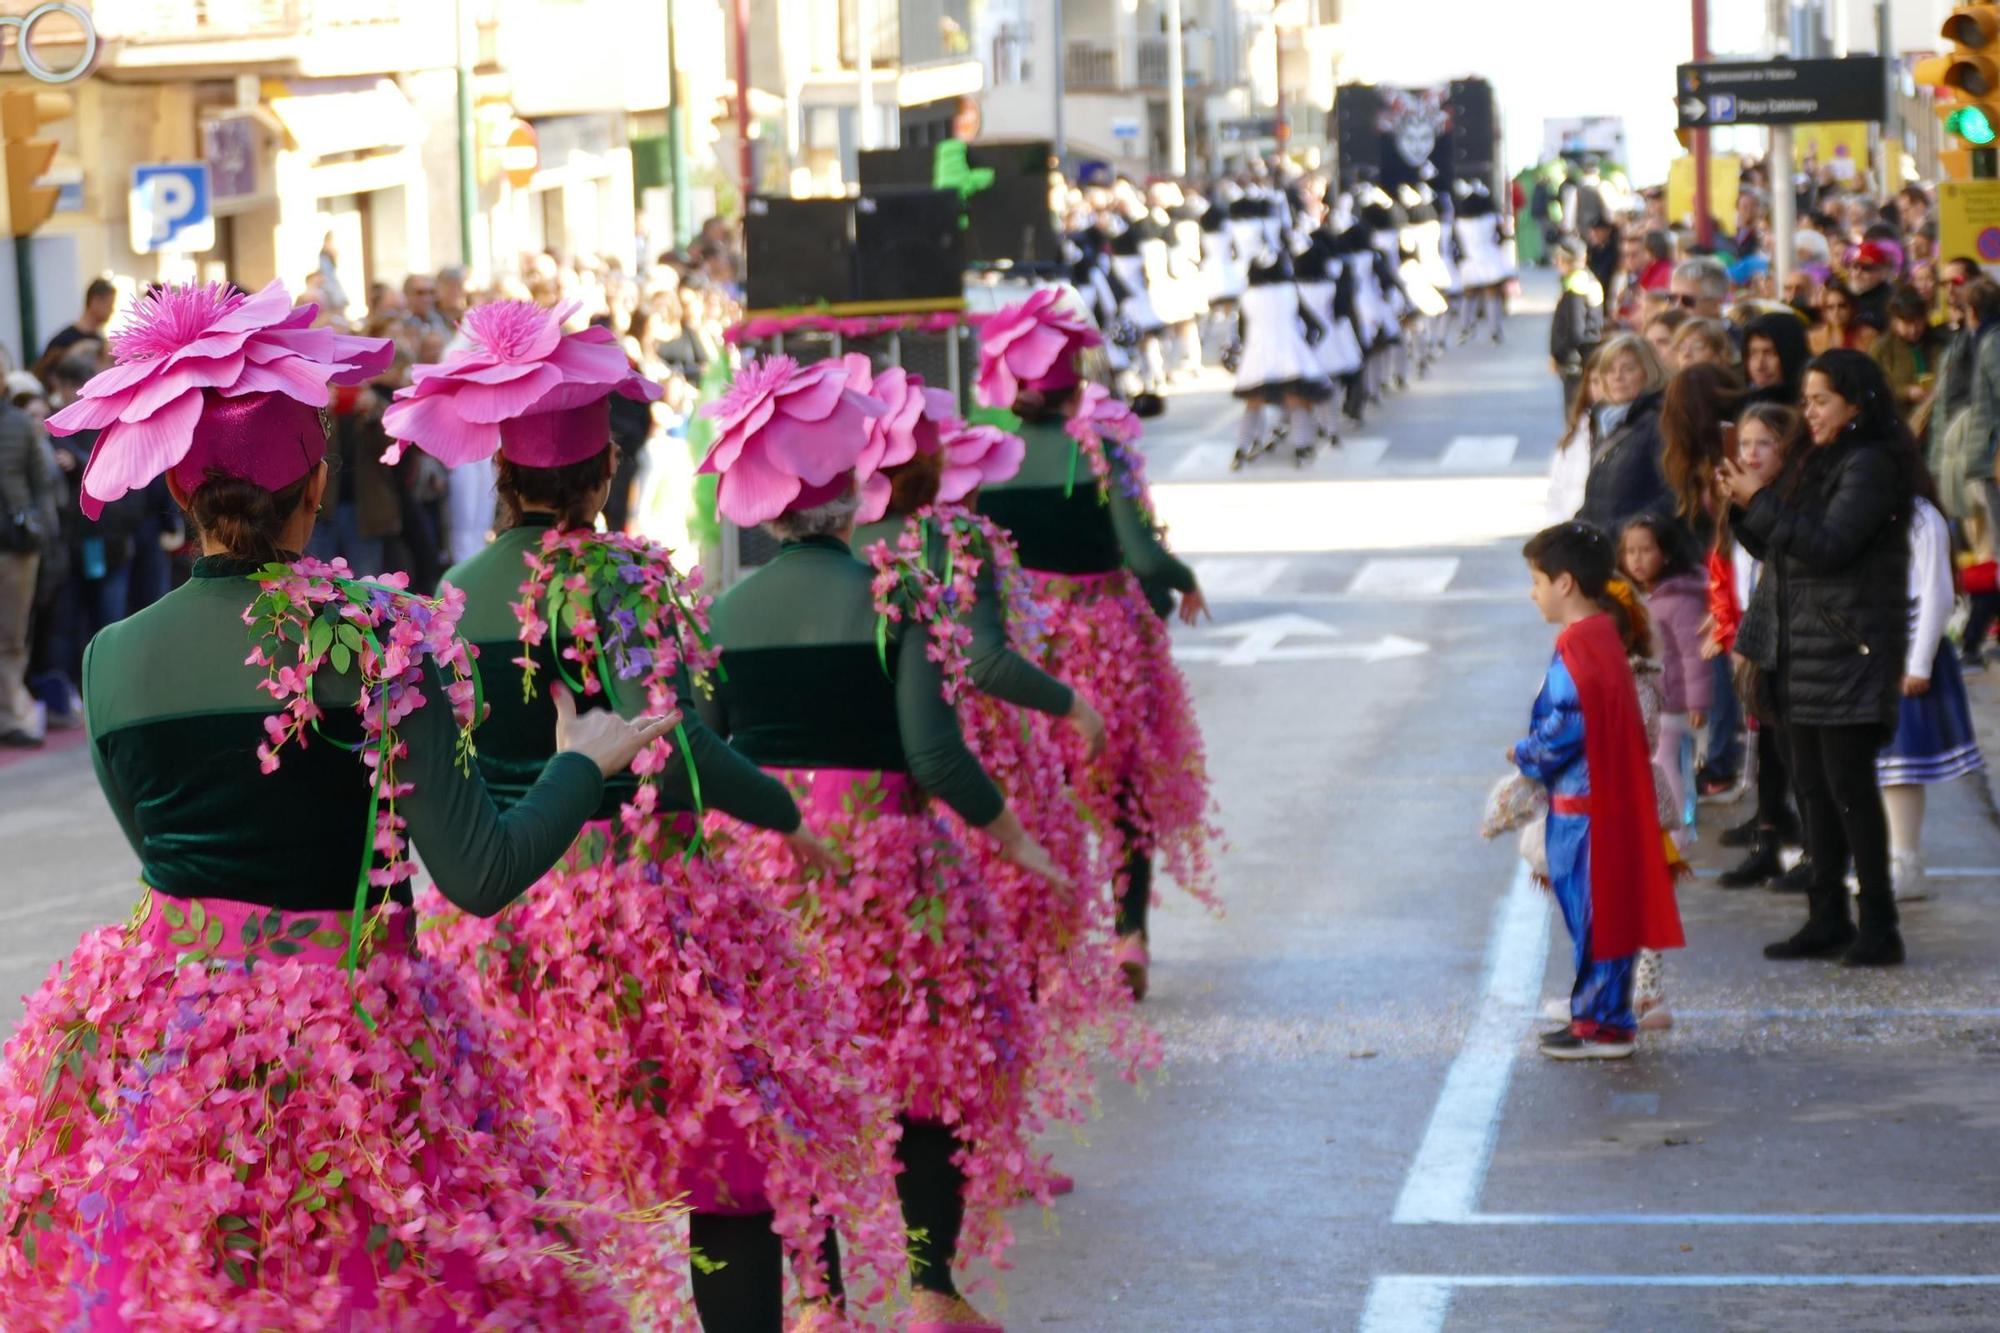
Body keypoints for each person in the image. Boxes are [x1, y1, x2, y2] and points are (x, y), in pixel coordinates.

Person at [5, 279, 671, 1322]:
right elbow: (480, 873)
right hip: (356, 1053)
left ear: (179, 493)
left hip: (170, 1055)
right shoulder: (384, 635)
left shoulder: (109, 657)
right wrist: (580, 759)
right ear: (313, 487)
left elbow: (162, 853)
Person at [386, 302, 896, 1330]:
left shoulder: (447, 594)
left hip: (513, 920)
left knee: (543, 1175)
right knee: (727, 1169)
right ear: (602, 475)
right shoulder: (627, 578)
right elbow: (687, 745)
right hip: (651, 912)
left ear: (503, 471)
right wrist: (782, 814)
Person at [697, 353, 1066, 1333]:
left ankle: (820, 1300)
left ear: (765, 504)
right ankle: (928, 1288)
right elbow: (934, 754)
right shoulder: (899, 596)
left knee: (796, 1086)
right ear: (848, 491)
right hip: (894, 867)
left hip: (772, 876)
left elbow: (711, 752)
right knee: (924, 1079)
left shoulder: (720, 614)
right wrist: (1014, 838)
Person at [973, 288, 1217, 1002]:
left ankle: (1042, 948)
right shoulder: (1098, 450)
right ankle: (1128, 934)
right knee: (1120, 786)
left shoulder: (986, 459)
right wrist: (1184, 576)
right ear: (1074, 382)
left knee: (1035, 791)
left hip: (1026, 646)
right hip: (1105, 633)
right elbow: (1144, 556)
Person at [1718, 350, 1913, 967]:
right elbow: (1782, 546)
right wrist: (1746, 501)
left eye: (1821, 400)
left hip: (1846, 646)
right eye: (1806, 401)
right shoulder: (1817, 457)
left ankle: (1878, 925)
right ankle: (1826, 916)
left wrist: (1763, 504)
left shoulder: (1871, 463)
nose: (1811, 412)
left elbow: (1828, 546)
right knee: (1811, 788)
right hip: (1800, 645)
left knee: (1849, 790)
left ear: (1856, 402)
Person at [1510, 521, 1686, 1060]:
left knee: (1597, 918)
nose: (1533, 592)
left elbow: (1567, 722)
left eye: (1537, 580)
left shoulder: (1578, 644)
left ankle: (1604, 1024)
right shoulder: (1601, 638)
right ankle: (1597, 1014)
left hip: (1584, 809)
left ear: (1565, 583)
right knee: (1600, 916)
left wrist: (1524, 755)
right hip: (1598, 801)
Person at [1876, 468, 1984, 901]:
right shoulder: (1865, 513)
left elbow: (1937, 595)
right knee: (1876, 766)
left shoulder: (1921, 518)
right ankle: (1882, 856)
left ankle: (1906, 859)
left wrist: (1918, 664)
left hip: (1908, 656)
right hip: (1873, 655)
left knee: (1901, 765)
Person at [1715, 404, 1806, 889]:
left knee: (1797, 753)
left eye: (1763, 444)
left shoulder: (1794, 497)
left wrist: (1751, 503)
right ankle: (1769, 838)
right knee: (1768, 746)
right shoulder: (1758, 497)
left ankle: (1812, 851)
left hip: (1792, 636)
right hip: (1760, 630)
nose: (1750, 453)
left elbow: (1778, 552)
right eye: (1744, 444)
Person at [1619, 514, 1709, 828]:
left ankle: (1678, 828)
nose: (1636, 558)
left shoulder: (1679, 599)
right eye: (1630, 551)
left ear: (1666, 553)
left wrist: (1697, 702)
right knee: (1663, 760)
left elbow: (1693, 655)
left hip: (1674, 699)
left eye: (1645, 550)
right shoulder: (1641, 596)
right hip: (1654, 697)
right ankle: (1673, 823)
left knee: (1665, 761)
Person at [1576, 333, 1674, 537]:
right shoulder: (1607, 421)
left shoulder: (1660, 423)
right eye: (1610, 370)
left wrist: (1626, 530)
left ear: (1648, 373)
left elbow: (1671, 495)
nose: (1617, 377)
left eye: (1628, 369)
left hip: (1637, 552)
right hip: (1605, 548)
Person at [0, 394, 48, 746]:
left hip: (16, 545)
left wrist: (42, 536)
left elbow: (40, 485)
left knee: (12, 636)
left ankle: (11, 714)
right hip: (18, 543)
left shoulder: (18, 423)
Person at [1871, 285, 1948, 416]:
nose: (1913, 330)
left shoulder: (1938, 343)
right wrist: (1906, 392)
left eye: (1918, 322)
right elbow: (1874, 387)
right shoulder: (1882, 349)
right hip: (1898, 419)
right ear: (1894, 320)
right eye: (1907, 323)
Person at [1551, 237, 1604, 413]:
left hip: (1576, 360)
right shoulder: (1588, 279)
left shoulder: (1576, 286)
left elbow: (1574, 330)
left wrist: (1558, 355)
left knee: (1575, 412)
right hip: (1585, 356)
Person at [29, 277, 115, 386]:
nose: (112, 310)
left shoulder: (101, 341)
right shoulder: (62, 340)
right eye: (110, 304)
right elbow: (44, 376)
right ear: (96, 301)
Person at [1548, 350, 1601, 522]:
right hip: (1570, 527)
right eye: (1596, 381)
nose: (1604, 388)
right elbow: (1557, 488)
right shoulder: (1580, 427)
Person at [1741, 309, 1812, 405]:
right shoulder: (1741, 407)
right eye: (1753, 354)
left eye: (1769, 353)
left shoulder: (1810, 409)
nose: (1760, 366)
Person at [1809, 278, 1875, 355]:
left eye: (1842, 306)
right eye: (1830, 307)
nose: (1836, 312)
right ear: (1824, 311)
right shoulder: (1815, 338)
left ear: (1852, 308)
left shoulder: (1869, 336)